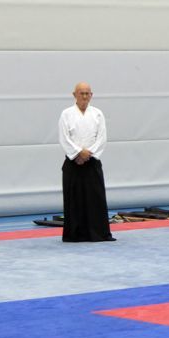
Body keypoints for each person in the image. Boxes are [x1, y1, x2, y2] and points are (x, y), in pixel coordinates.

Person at [58, 82, 114, 242]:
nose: (84, 96)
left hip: (92, 161)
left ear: (91, 95)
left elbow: (102, 138)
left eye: (87, 93)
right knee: (74, 199)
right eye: (81, 93)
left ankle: (98, 233)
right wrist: (78, 153)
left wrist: (87, 154)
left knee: (95, 199)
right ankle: (75, 234)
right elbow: (64, 138)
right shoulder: (66, 114)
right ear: (74, 95)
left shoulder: (97, 114)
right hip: (73, 162)